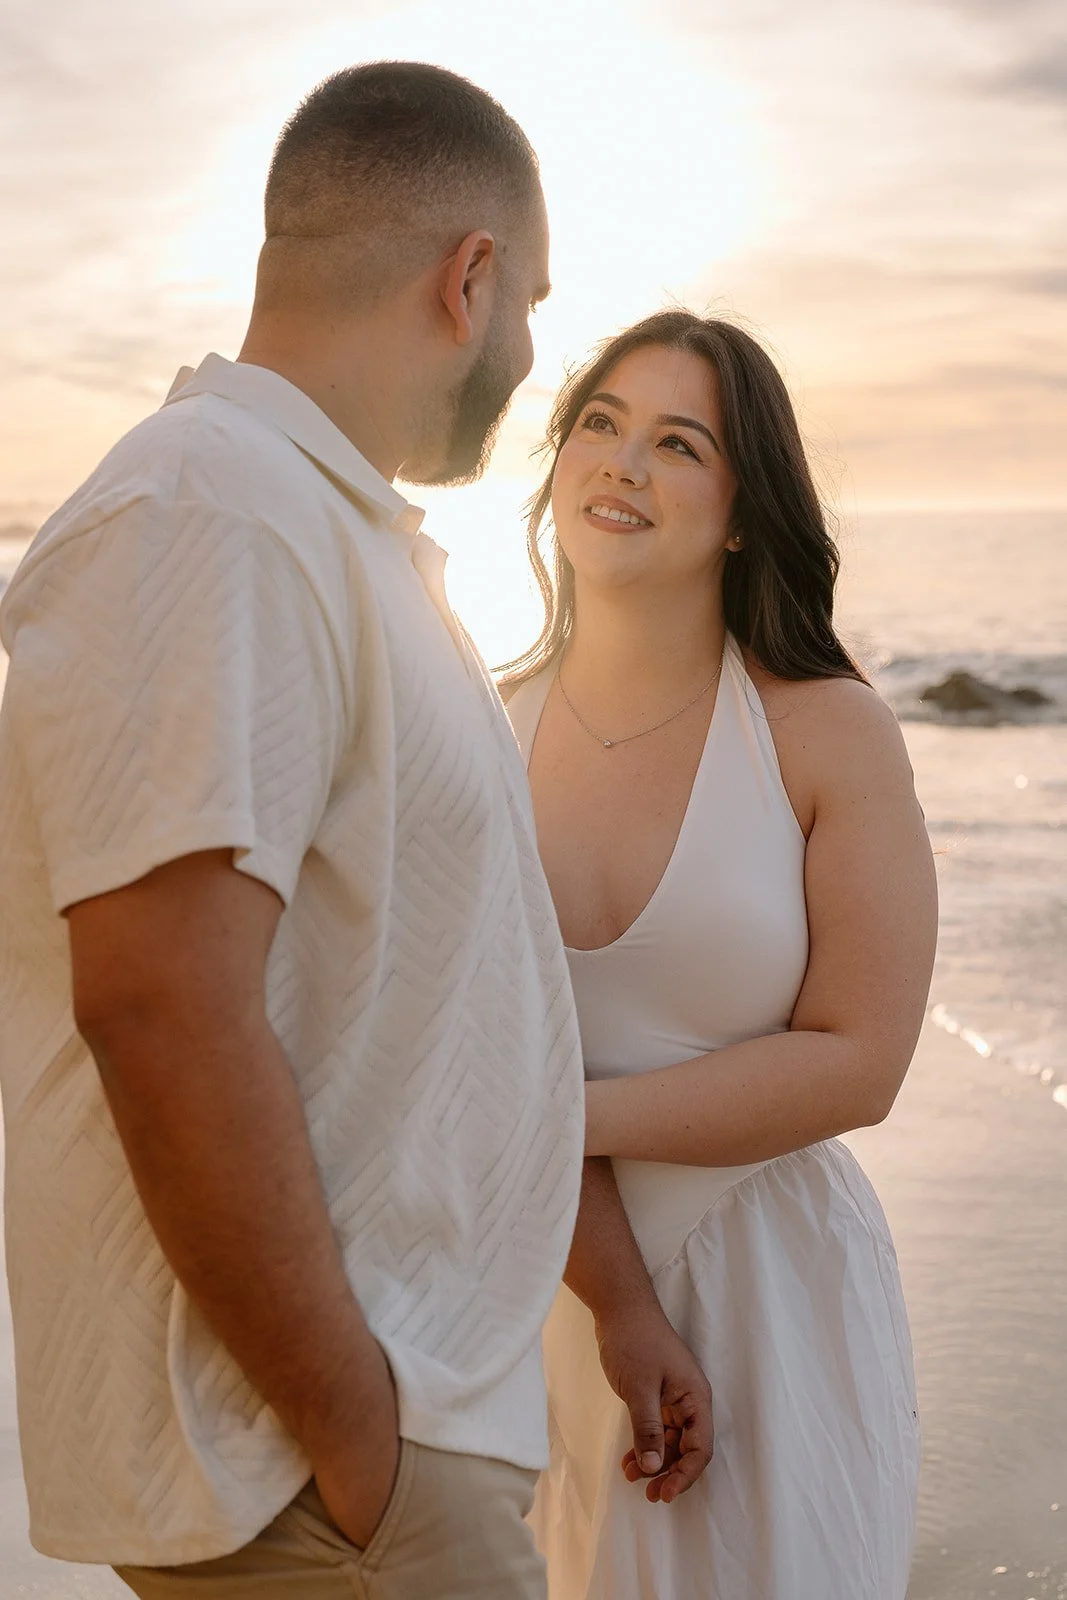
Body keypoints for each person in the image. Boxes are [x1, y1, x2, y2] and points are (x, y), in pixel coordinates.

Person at [0, 68, 710, 1600]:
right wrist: (355, 1439)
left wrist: (598, 1301)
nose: (526, 355)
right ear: (469, 280)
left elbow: (429, 1012)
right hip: (313, 1472)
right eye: (530, 306)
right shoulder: (211, 513)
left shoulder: (328, 535)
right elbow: (159, 1004)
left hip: (376, 1444)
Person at [503, 309, 938, 1600]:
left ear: (744, 513)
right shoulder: (478, 731)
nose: (623, 462)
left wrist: (556, 1121)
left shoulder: (824, 730)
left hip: (771, 1299)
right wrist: (620, 1305)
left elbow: (860, 1062)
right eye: (600, 422)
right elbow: (479, 1048)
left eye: (678, 443)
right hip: (538, 1293)